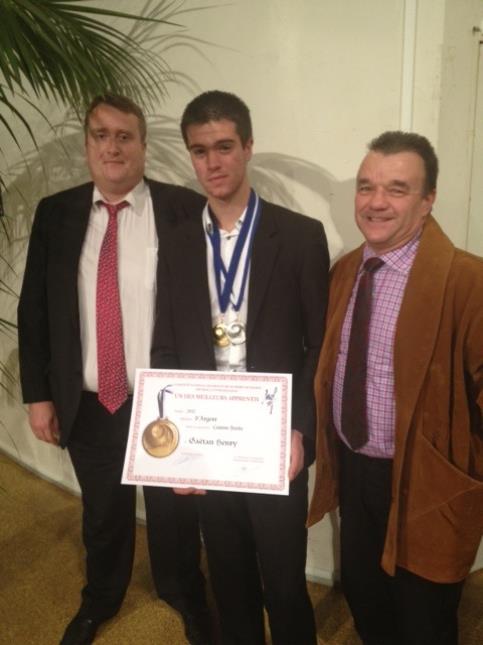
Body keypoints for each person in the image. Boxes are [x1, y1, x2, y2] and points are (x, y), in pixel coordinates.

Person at [17, 94, 211, 645]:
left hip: (163, 401)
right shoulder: (56, 213)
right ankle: (100, 598)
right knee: (103, 515)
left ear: (144, 146)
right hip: (90, 398)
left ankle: (184, 592)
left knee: (176, 515)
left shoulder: (183, 209)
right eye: (101, 135)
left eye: (125, 135)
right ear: (87, 146)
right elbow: (34, 308)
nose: (112, 146)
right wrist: (39, 394)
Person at [151, 90, 330, 645]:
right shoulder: (178, 241)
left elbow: (317, 344)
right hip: (208, 439)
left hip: (273, 437)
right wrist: (174, 445)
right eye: (200, 150)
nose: (213, 163)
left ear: (248, 147)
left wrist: (301, 426)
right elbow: (166, 346)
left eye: (225, 147)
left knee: (282, 580)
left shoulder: (299, 236)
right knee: (228, 580)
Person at [308, 131, 483, 645]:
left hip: (429, 480)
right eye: (366, 187)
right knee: (366, 599)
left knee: (425, 619)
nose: (376, 202)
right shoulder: (344, 273)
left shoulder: (468, 281)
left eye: (397, 189)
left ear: (428, 201)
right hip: (356, 470)